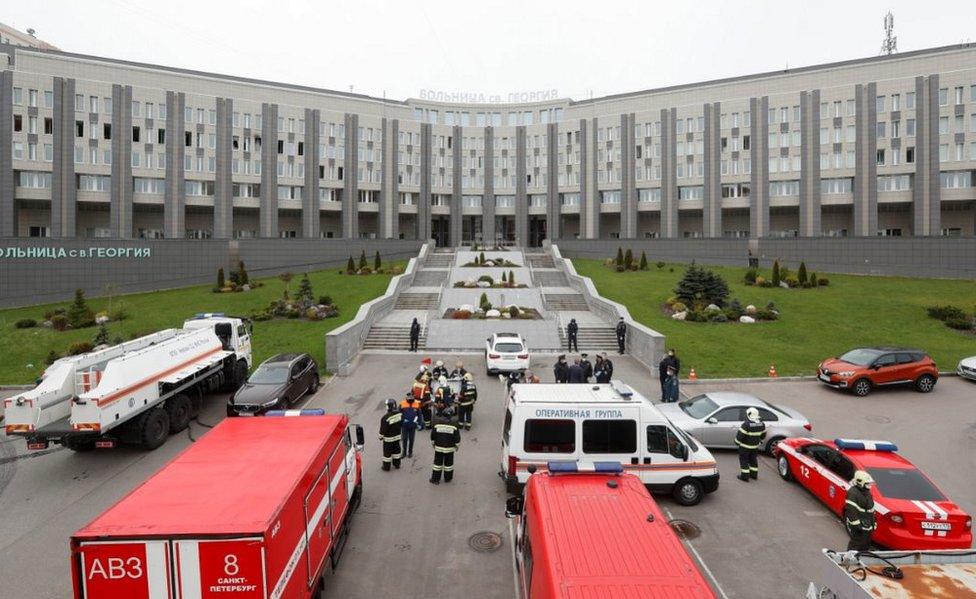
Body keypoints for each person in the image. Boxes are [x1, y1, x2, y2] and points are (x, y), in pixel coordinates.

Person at [844, 470, 877, 551]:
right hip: (859, 527)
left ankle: (861, 559)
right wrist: (857, 526)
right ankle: (850, 561)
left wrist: (874, 522)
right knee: (856, 544)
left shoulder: (867, 492)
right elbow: (851, 511)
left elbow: (871, 509)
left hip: (867, 525)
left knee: (865, 545)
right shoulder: (853, 493)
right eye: (867, 484)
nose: (869, 486)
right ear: (860, 482)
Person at [429, 406, 461, 485]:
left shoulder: (437, 423)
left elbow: (433, 435)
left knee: (437, 464)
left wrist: (433, 443)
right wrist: (457, 446)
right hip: (449, 448)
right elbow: (457, 438)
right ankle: (448, 478)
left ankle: (435, 479)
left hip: (439, 448)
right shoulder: (454, 425)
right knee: (449, 464)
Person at [734, 407, 766, 482]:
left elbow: (740, 436)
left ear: (749, 414)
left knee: (744, 460)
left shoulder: (746, 424)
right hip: (755, 447)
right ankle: (754, 475)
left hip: (745, 447)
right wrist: (759, 440)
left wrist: (737, 443)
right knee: (753, 460)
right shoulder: (762, 423)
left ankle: (744, 476)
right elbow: (763, 435)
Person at [378, 399, 403, 471]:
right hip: (397, 437)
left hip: (388, 439)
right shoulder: (399, 414)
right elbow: (401, 424)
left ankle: (386, 467)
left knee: (387, 454)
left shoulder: (385, 417)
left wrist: (380, 437)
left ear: (388, 406)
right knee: (397, 451)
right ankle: (397, 464)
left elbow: (383, 429)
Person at [399, 392, 424, 458]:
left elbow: (419, 415)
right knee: (404, 439)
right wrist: (402, 420)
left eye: (412, 398)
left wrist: (420, 424)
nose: (410, 399)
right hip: (404, 425)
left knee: (411, 439)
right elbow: (399, 414)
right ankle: (404, 452)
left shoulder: (416, 404)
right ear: (407, 398)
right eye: (409, 398)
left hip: (413, 425)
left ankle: (410, 452)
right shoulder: (402, 403)